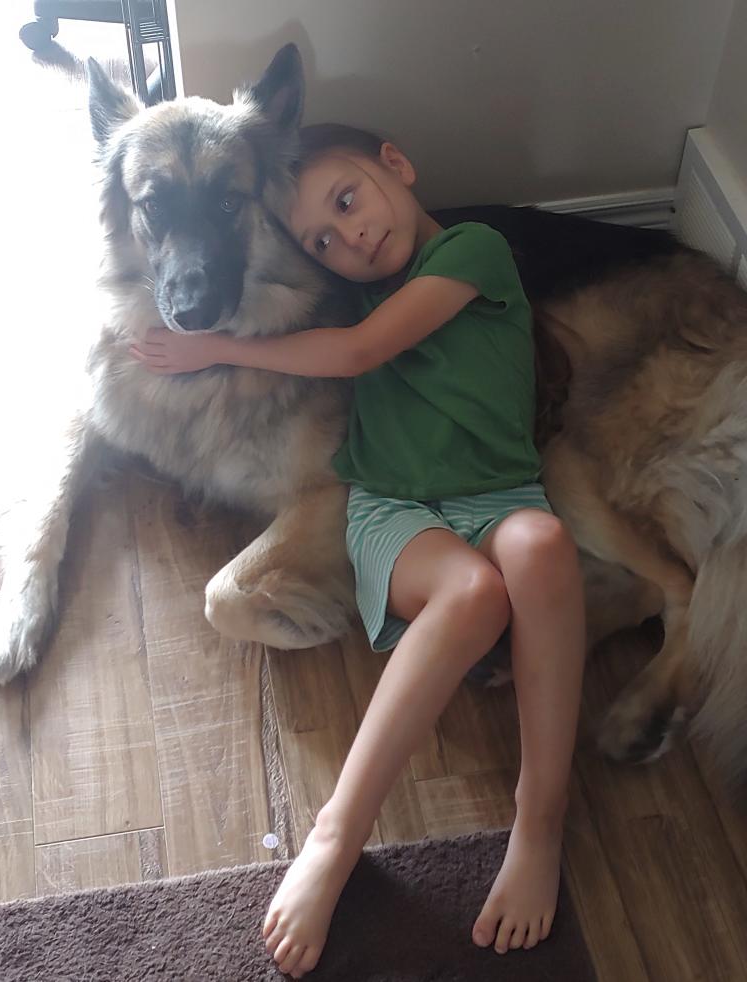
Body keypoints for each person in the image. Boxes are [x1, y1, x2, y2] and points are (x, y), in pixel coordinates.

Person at [130, 124, 587, 979]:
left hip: (501, 498)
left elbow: (359, 353)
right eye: (322, 242)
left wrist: (213, 346)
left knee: (543, 544)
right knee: (472, 595)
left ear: (396, 164)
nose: (351, 238)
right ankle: (337, 835)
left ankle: (540, 816)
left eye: (348, 203)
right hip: (394, 512)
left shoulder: (473, 251)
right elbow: (331, 342)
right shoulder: (352, 295)